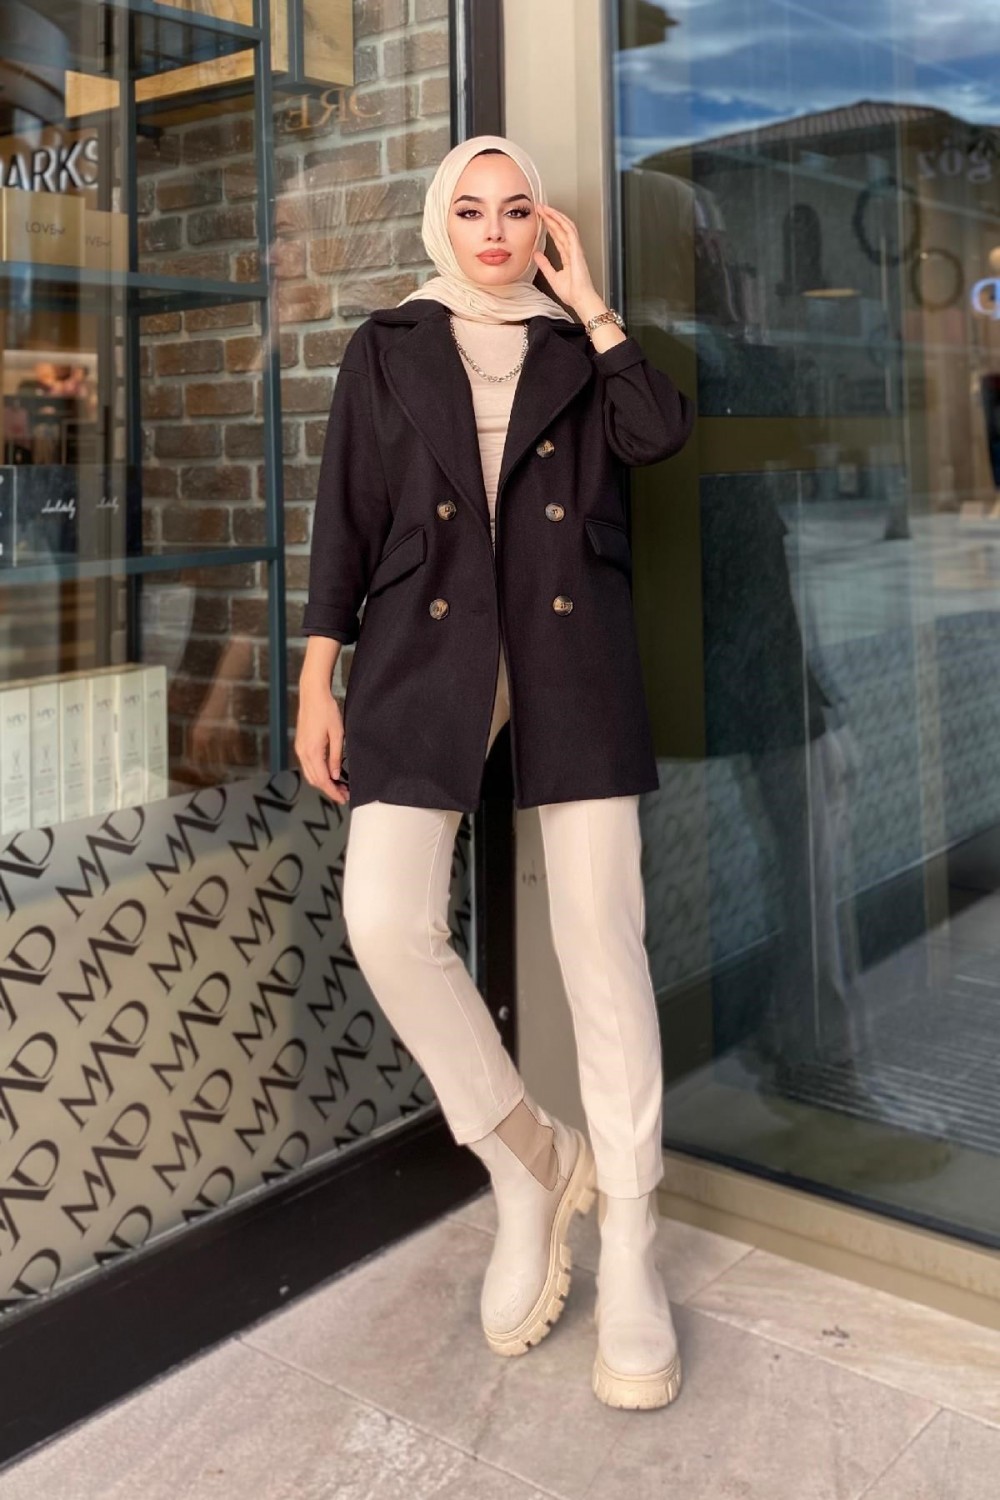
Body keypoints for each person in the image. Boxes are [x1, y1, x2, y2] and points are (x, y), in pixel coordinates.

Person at [295, 135, 694, 1410]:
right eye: (470, 210)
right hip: (426, 653)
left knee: (599, 941)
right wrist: (316, 676)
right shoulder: (386, 345)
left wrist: (592, 303)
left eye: (518, 211)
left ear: (543, 229)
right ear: (441, 222)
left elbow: (658, 434)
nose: (493, 231)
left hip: (571, 649)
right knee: (383, 918)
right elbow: (345, 519)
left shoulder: (582, 347)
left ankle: (629, 1244)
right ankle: (527, 1158)